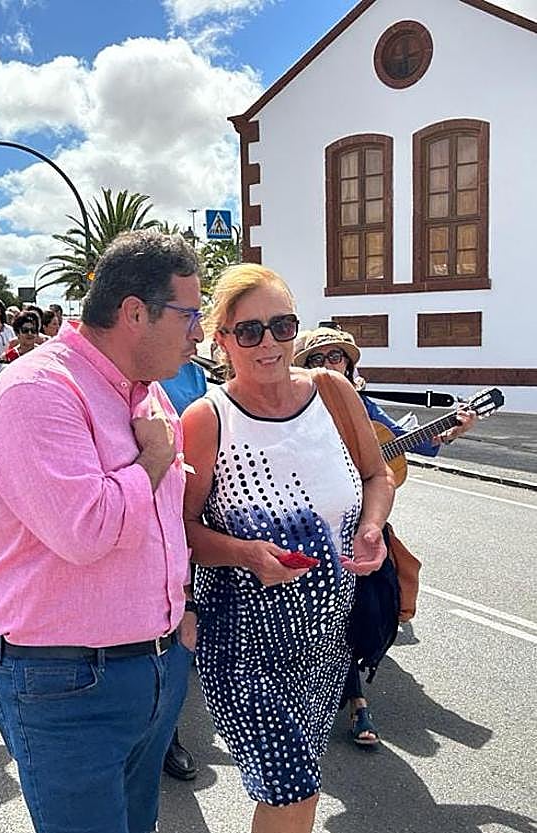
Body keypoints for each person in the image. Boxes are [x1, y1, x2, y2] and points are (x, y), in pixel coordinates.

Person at [0, 229, 203, 833]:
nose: (199, 332)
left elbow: (164, 523)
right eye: (190, 314)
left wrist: (178, 611)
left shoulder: (146, 393)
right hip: (67, 683)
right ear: (134, 313)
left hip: (151, 666)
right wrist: (153, 460)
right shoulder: (39, 390)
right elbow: (89, 529)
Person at [181, 265, 394, 833]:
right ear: (221, 339)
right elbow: (178, 532)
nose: (269, 342)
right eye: (249, 331)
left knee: (298, 790)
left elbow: (379, 477)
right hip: (242, 642)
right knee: (291, 784)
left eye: (282, 326)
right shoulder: (206, 419)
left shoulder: (333, 392)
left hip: (326, 644)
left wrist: (371, 528)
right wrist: (246, 553)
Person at [294, 325, 477, 746]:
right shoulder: (291, 407)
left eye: (336, 358)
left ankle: (354, 696)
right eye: (318, 359)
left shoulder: (362, 405)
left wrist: (450, 431)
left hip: (360, 529)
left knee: (367, 610)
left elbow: (403, 442)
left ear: (349, 364)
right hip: (309, 530)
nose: (328, 366)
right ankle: (337, 700)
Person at [158, 358, 209, 782]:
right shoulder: (138, 367)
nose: (196, 336)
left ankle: (165, 737)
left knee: (179, 622)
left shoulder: (193, 372)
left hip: (188, 497)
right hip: (145, 500)